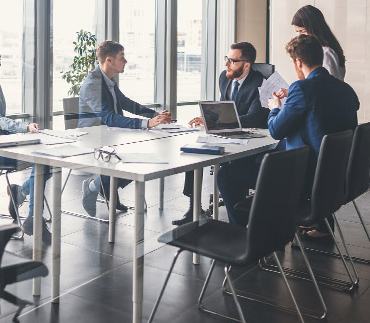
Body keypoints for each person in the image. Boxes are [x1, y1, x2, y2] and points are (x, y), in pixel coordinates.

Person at [216, 34, 359, 230]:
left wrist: (276, 107)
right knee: (258, 160)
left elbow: (275, 130)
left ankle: (242, 236)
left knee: (226, 175)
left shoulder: (301, 88)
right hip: (336, 175)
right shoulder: (346, 89)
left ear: (298, 62)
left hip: (304, 177)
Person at [172, 41, 269, 226]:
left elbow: (254, 118)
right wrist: (208, 118)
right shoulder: (224, 78)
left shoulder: (260, 84)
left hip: (251, 139)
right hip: (226, 133)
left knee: (229, 172)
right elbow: (224, 108)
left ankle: (240, 219)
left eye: (232, 61)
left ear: (246, 65)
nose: (226, 65)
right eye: (227, 59)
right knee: (195, 152)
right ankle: (194, 209)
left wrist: (217, 121)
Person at [79, 40, 172, 217]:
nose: (126, 61)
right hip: (93, 137)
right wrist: (146, 124)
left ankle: (106, 187)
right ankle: (94, 186)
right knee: (133, 159)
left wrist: (155, 115)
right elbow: (109, 117)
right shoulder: (93, 83)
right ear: (109, 60)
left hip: (110, 135)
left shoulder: (108, 80)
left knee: (139, 157)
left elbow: (126, 104)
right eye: (122, 57)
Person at [0, 42, 52, 243]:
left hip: (1, 144)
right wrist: (24, 127)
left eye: (0, 59)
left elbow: (1, 123)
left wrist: (22, 137)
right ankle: (33, 215)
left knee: (46, 159)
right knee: (39, 161)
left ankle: (22, 195)